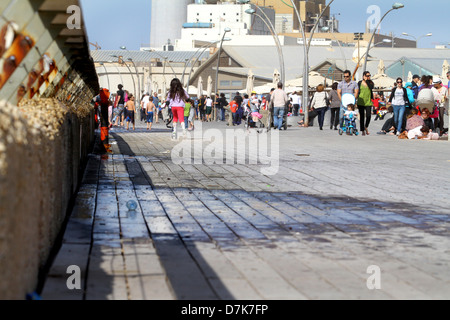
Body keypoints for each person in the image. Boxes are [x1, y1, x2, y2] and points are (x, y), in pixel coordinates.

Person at [356, 71, 374, 136]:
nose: (368, 77)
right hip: (361, 102)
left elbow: (371, 87)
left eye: (369, 75)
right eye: (367, 75)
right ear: (363, 76)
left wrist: (366, 81)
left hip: (368, 102)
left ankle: (366, 126)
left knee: (368, 116)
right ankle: (362, 130)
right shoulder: (359, 83)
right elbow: (357, 91)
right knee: (362, 117)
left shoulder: (371, 83)